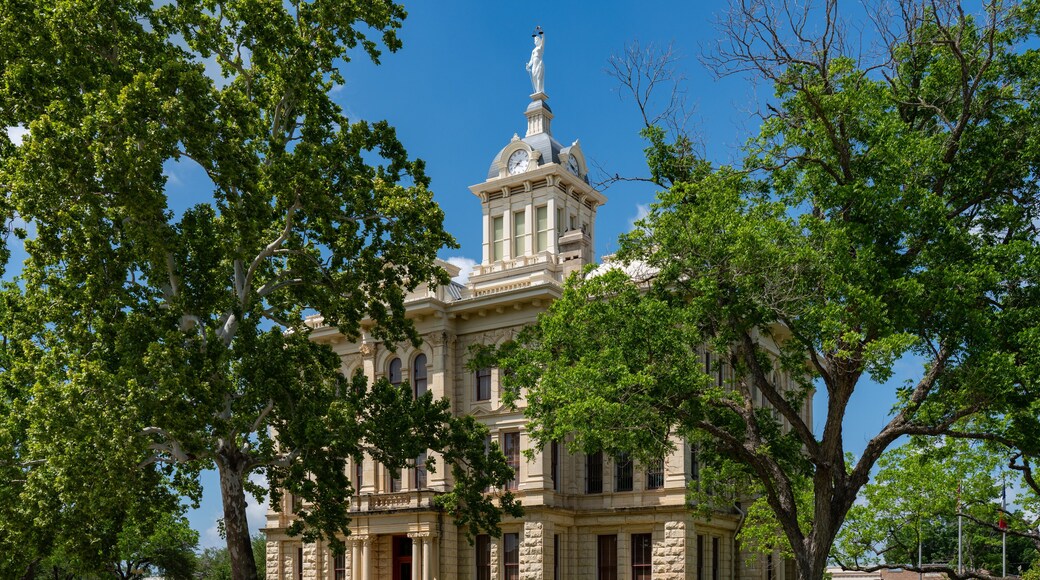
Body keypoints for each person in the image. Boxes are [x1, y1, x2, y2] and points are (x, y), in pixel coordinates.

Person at [526, 26, 545, 94]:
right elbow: (531, 60)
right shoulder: (533, 50)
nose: (535, 41)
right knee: (534, 77)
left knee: (538, 77)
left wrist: (540, 30)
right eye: (535, 41)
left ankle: (539, 90)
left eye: (537, 40)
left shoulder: (541, 47)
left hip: (539, 62)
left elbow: (543, 38)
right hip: (534, 64)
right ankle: (537, 90)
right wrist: (528, 65)